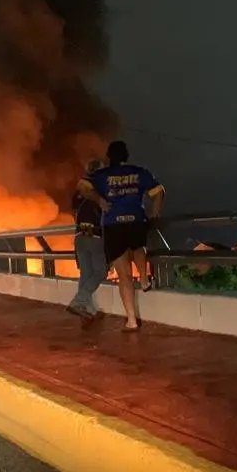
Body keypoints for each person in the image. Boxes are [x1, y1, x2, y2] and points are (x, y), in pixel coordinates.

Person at [78, 140, 165, 331]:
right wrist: (154, 215)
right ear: (126, 155)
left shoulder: (102, 175)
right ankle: (143, 279)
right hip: (136, 220)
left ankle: (131, 320)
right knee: (138, 247)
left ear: (109, 157)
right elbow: (159, 192)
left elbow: (82, 186)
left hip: (113, 225)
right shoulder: (139, 172)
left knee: (124, 275)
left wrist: (100, 200)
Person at [66, 158, 107, 319]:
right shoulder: (98, 189)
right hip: (95, 236)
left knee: (86, 272)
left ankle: (88, 309)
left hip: (79, 236)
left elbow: (74, 212)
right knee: (100, 272)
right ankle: (78, 301)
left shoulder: (78, 192)